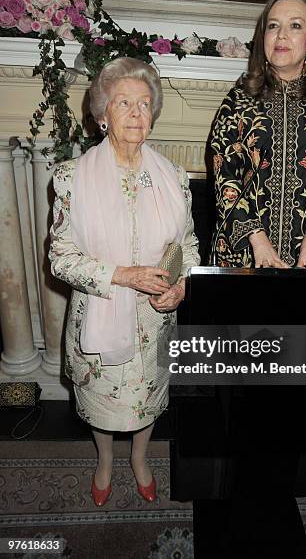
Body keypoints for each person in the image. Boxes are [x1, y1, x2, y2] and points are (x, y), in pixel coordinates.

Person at [49, 57, 200, 507]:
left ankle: (139, 457)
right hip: (99, 317)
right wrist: (122, 275)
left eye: (144, 104)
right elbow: (60, 258)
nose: (137, 113)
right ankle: (104, 459)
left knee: (146, 400)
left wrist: (181, 286)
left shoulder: (175, 177)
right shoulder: (70, 178)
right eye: (123, 103)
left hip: (156, 318)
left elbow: (187, 245)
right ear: (101, 116)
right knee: (103, 402)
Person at [210, 0, 306, 269]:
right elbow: (224, 175)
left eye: (295, 26)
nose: (281, 35)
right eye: (273, 26)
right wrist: (256, 239)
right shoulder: (238, 100)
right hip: (243, 256)